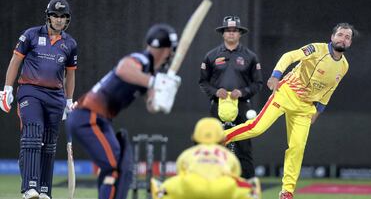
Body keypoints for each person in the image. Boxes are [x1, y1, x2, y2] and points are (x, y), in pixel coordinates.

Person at [224, 23, 357, 199]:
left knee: (297, 147)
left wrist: (318, 111)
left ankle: (287, 191)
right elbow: (290, 56)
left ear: (350, 43)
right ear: (332, 37)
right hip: (286, 93)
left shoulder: (344, 66)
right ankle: (222, 137)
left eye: (348, 37)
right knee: (257, 128)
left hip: (305, 107)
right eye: (340, 35)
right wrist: (275, 75)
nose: (343, 39)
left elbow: (329, 90)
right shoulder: (316, 49)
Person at [66, 23, 181, 199]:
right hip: (87, 117)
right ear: (164, 50)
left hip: (101, 120)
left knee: (122, 165)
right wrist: (154, 82)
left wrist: (164, 94)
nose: (171, 55)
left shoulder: (150, 72)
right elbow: (123, 69)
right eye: (170, 50)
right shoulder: (141, 59)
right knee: (114, 167)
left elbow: (152, 105)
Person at [0, 0, 77, 199]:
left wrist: (69, 100)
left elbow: (70, 74)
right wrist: (7, 88)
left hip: (56, 96)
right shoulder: (31, 35)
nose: (59, 20)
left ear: (67, 20)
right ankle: (30, 187)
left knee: (49, 143)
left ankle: (44, 190)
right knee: (33, 135)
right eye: (55, 16)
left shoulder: (70, 44)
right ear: (48, 16)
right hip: (30, 91)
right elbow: (16, 60)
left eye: (63, 17)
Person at [199, 15, 263, 178]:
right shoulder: (212, 55)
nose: (231, 33)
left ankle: (248, 186)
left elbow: (258, 83)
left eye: (235, 31)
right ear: (223, 33)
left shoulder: (250, 56)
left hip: (241, 106)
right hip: (218, 105)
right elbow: (203, 82)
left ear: (240, 33)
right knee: (215, 144)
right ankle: (212, 182)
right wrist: (215, 91)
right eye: (228, 30)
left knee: (244, 147)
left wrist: (242, 92)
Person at [151, 117, 261, 199]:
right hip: (222, 187)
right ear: (221, 137)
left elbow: (181, 171)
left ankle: (160, 191)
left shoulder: (189, 153)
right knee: (245, 186)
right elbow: (235, 172)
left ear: (195, 136)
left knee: (169, 187)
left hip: (192, 185)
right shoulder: (227, 154)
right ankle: (252, 192)